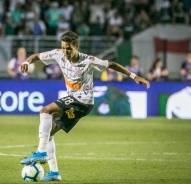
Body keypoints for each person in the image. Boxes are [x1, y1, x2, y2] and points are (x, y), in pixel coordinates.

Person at [19, 31, 150, 181]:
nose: (65, 52)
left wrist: (134, 76)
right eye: (63, 48)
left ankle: (41, 152)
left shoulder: (88, 61)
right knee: (48, 133)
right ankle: (54, 173)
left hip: (83, 102)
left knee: (45, 111)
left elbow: (111, 64)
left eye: (69, 48)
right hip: (73, 100)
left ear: (77, 46)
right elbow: (36, 56)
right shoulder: (58, 54)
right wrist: (26, 62)